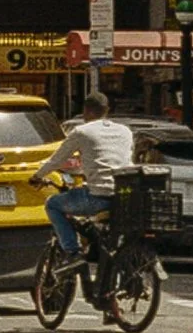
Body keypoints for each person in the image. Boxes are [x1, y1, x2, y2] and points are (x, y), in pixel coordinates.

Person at [35, 93, 136, 265]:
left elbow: (57, 160)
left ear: (85, 111)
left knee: (53, 204)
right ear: (107, 110)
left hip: (97, 198)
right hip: (125, 197)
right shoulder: (125, 131)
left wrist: (37, 176)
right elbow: (115, 160)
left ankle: (72, 252)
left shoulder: (82, 132)